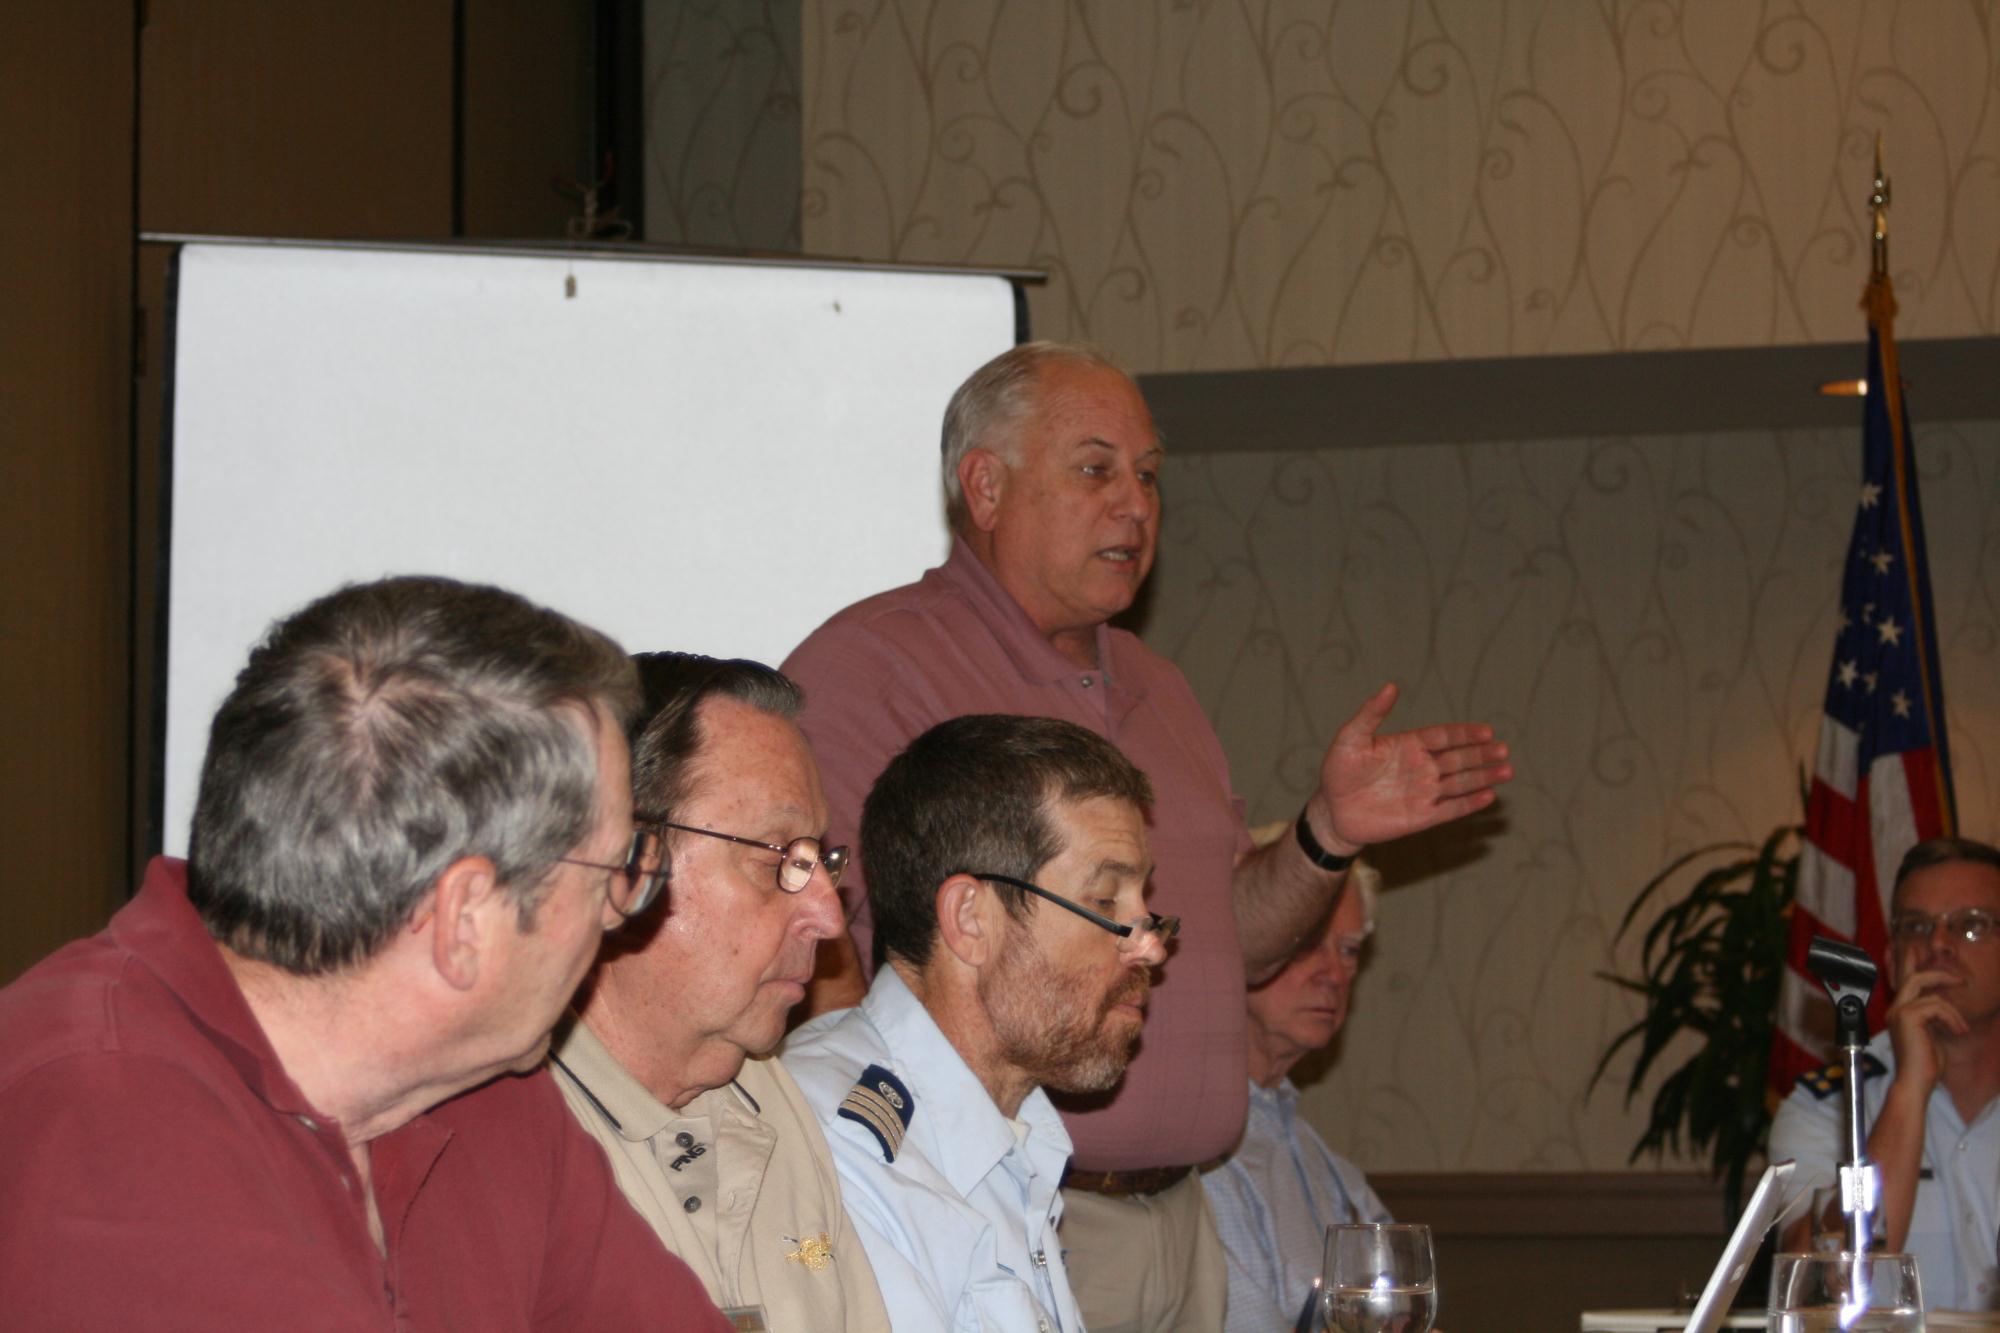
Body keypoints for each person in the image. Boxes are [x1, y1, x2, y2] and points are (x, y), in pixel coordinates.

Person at [782, 338, 1513, 1330]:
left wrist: (1326, 832)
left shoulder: (1159, 686)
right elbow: (811, 939)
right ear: (985, 486)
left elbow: (1228, 945)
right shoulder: (872, 664)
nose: (1135, 504)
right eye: (1095, 471)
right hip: (999, 1208)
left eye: (1148, 475)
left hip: (1189, 1216)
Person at [0, 576, 729, 1331]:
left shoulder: (486, 1087)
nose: (618, 912)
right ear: (464, 921)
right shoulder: (104, 1126)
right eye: (614, 870)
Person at [783, 713, 1172, 1331]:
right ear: (969, 919)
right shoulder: (840, 1148)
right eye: (1105, 901)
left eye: (1145, 909)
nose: (1148, 947)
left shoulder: (1015, 1129)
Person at [551, 653, 889, 1329]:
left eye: (818, 860)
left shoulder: (765, 1093)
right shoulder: (504, 1130)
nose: (828, 916)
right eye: (776, 858)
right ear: (624, 862)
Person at [1772, 835, 2000, 1312]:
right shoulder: (1828, 1108)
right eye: (1917, 927)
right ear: (1892, 962)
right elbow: (1821, 1290)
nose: (1938, 944)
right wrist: (1909, 1089)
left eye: (1971, 925)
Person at [1204, 862, 1393, 1333]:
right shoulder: (1192, 1156)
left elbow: (1398, 1306)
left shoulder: (1330, 1169)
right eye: (1306, 943)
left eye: (1349, 950)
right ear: (1238, 942)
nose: (1334, 975)